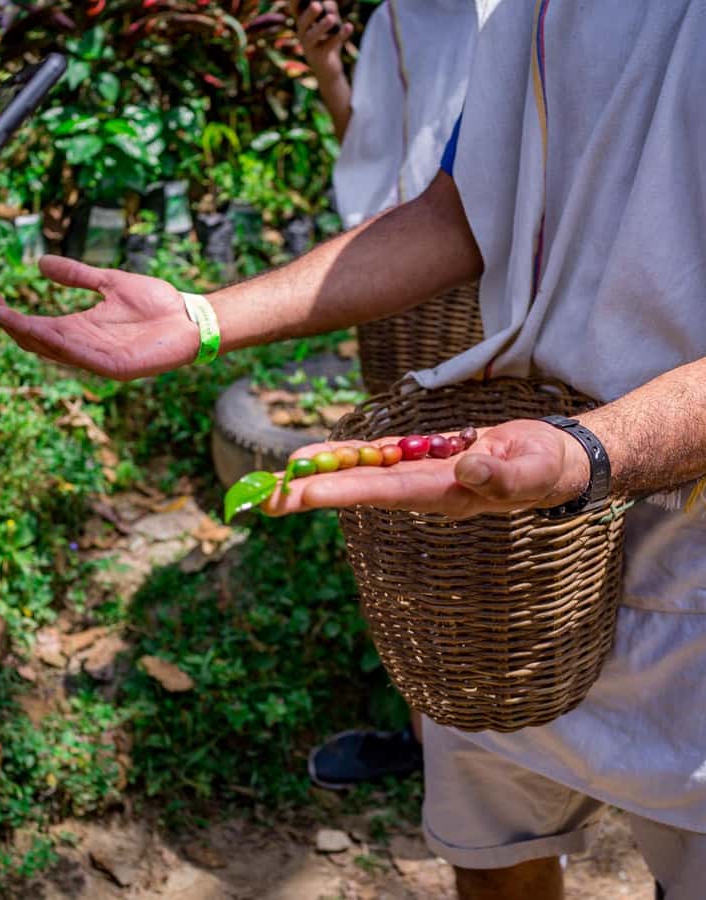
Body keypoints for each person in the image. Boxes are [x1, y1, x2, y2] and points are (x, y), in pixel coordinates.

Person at [0, 1, 706, 896]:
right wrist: (206, 317)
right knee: (491, 856)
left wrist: (576, 457)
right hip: (507, 548)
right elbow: (457, 215)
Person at [289, 0, 481, 789]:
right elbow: (372, 159)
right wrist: (328, 68)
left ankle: (516, 733)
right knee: (406, 505)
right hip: (411, 303)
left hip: (515, 294)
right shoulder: (408, 14)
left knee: (510, 503)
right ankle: (431, 733)